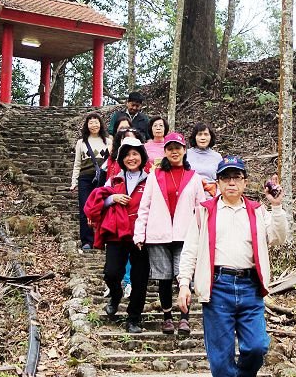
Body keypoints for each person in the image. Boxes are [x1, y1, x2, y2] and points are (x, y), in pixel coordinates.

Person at [177, 156, 286, 377]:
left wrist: (276, 206)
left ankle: (245, 375)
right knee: (220, 354)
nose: (232, 183)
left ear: (245, 182)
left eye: (237, 177)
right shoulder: (205, 211)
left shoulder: (257, 210)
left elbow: (279, 237)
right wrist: (183, 284)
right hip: (217, 286)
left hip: (250, 286)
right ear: (219, 182)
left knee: (257, 345)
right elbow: (190, 250)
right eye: (226, 178)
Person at [134, 132, 206, 336]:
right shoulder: (154, 176)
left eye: (178, 148)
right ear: (165, 151)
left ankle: (184, 318)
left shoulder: (194, 177)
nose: (174, 152)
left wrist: (202, 236)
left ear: (184, 150)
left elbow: (200, 209)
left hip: (185, 235)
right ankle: (167, 317)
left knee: (184, 277)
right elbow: (144, 206)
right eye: (170, 148)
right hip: (158, 234)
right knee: (164, 278)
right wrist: (139, 233)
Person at [84, 137, 150, 333]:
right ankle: (115, 294)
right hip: (117, 233)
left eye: (135, 154)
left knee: (140, 279)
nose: (131, 158)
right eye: (127, 154)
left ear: (142, 156)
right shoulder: (114, 179)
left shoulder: (151, 179)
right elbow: (98, 201)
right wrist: (112, 198)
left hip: (141, 236)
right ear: (121, 158)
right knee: (111, 273)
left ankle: (134, 318)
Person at [70, 112, 109, 251]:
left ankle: (102, 239)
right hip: (85, 178)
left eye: (96, 122)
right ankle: (87, 240)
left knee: (102, 208)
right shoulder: (81, 142)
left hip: (103, 178)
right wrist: (74, 181)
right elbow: (77, 163)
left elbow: (111, 162)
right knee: (85, 209)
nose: (94, 125)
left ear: (101, 124)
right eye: (91, 122)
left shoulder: (108, 141)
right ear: (87, 125)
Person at [186, 122, 223, 197]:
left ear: (210, 137)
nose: (203, 138)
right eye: (199, 134)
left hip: (211, 195)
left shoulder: (217, 157)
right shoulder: (186, 154)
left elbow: (221, 180)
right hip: (189, 194)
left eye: (206, 134)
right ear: (194, 137)